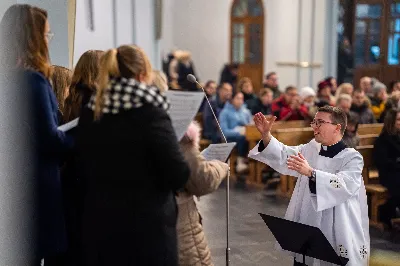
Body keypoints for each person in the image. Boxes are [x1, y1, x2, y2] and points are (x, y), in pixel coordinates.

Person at [76, 45, 190, 265]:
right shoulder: (151, 112)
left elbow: (82, 162)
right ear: (142, 75)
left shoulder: (92, 110)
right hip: (146, 231)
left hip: (101, 226)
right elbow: (178, 174)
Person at [249, 106, 370, 266]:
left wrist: (312, 173)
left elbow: (344, 185)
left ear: (337, 127)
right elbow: (284, 154)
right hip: (308, 218)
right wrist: (266, 135)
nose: (314, 126)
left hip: (336, 225)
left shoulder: (352, 158)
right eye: (314, 122)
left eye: (320, 122)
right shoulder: (311, 148)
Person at [373, 108, 400, 229]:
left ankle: (388, 211)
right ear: (391, 121)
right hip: (390, 174)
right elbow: (383, 162)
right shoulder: (382, 140)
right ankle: (386, 211)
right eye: (399, 120)